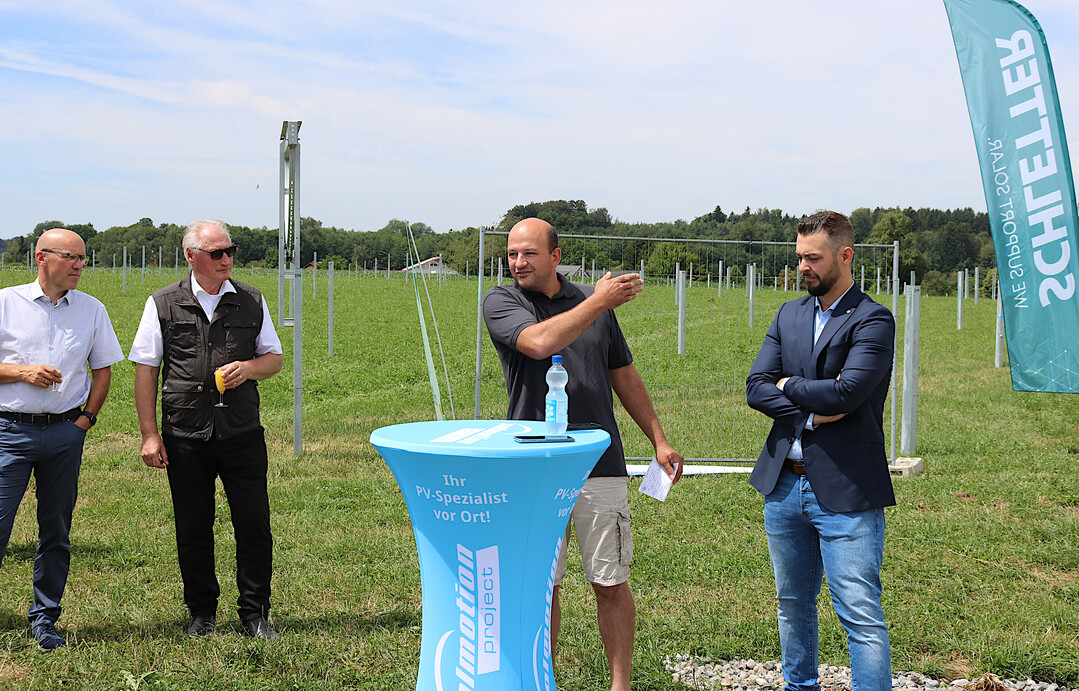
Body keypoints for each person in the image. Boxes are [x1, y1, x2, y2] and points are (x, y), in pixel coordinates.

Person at [482, 217, 682, 691]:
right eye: (512, 254)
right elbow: (538, 343)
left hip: (599, 462)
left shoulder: (595, 304)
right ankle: (541, 681)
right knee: (542, 585)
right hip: (534, 465)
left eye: (529, 253)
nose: (518, 263)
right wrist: (597, 301)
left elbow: (623, 374)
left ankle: (620, 686)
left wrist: (658, 439)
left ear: (555, 257)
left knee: (610, 581)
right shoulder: (502, 301)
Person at [746, 210, 896, 691]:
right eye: (799, 257)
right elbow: (755, 387)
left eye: (813, 258)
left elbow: (848, 393)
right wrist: (808, 413)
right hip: (784, 485)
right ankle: (799, 686)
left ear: (845, 255)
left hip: (847, 487)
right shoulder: (789, 314)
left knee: (859, 612)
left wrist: (787, 384)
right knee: (792, 604)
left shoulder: (873, 319)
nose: (802, 267)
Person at [129, 219, 283, 640]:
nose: (226, 259)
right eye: (217, 253)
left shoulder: (251, 299)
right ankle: (201, 612)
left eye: (230, 251)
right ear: (191, 256)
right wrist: (149, 434)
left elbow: (273, 358)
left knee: (253, 525)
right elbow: (146, 369)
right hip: (185, 435)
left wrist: (248, 368)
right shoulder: (163, 303)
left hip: (241, 433)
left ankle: (255, 613)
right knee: (193, 526)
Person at [0, 229, 124, 651]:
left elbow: (103, 370)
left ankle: (45, 619)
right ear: (41, 258)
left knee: (55, 530)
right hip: (9, 432)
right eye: (70, 257)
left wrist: (85, 420)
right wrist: (22, 372)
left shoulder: (92, 310)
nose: (79, 265)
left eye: (82, 258)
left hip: (64, 434)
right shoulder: (7, 303)